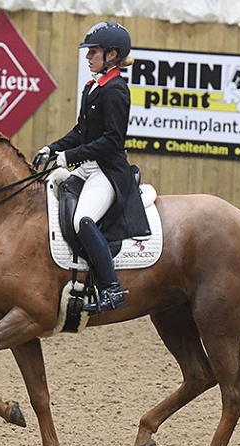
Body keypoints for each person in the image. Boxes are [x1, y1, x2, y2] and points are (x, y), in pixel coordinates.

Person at [36, 21, 150, 315]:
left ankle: (112, 289)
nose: (88, 57)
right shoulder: (93, 87)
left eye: (93, 52)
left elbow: (112, 140)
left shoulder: (115, 90)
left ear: (111, 55)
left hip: (107, 172)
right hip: (88, 167)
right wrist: (54, 148)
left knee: (83, 219)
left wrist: (70, 157)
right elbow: (80, 132)